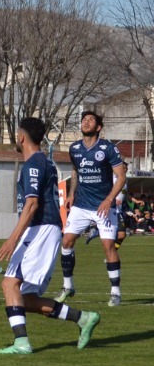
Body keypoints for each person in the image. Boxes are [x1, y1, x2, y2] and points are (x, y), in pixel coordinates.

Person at [0, 117, 101, 354]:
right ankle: (83, 318)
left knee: (9, 284)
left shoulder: (33, 164)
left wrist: (12, 239)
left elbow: (32, 204)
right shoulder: (46, 162)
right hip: (44, 229)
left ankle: (22, 343)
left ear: (21, 137)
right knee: (26, 298)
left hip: (40, 229)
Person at [59, 110, 127, 306]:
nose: (85, 122)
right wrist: (71, 194)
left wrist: (108, 200)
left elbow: (121, 177)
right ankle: (68, 286)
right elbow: (75, 171)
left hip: (103, 206)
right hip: (81, 204)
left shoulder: (108, 148)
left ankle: (115, 292)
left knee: (108, 247)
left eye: (90, 120)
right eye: (83, 120)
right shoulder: (74, 148)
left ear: (98, 127)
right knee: (66, 242)